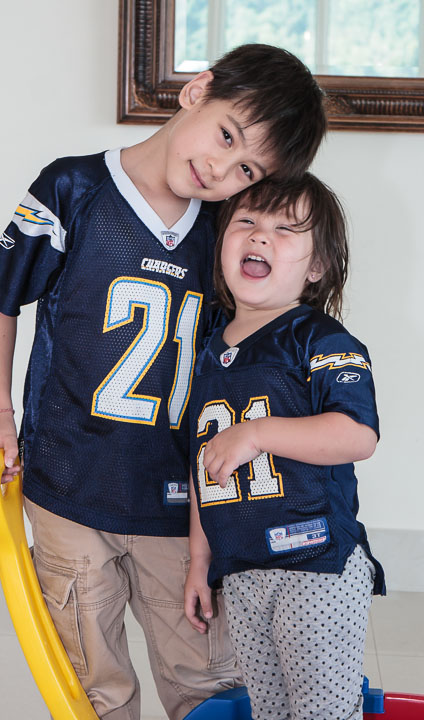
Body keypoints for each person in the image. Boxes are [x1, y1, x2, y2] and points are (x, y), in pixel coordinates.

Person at [0, 44, 326, 720]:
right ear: (197, 90)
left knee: (209, 680)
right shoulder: (72, 188)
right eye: (227, 136)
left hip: (180, 500)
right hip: (68, 486)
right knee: (93, 687)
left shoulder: (228, 230)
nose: (220, 169)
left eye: (246, 169)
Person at [185, 173, 385, 720]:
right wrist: (200, 560)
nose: (260, 236)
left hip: (315, 564)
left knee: (323, 712)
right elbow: (205, 464)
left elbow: (357, 434)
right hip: (242, 568)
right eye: (247, 221)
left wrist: (257, 433)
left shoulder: (320, 338)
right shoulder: (205, 350)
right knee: (270, 712)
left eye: (285, 229)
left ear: (316, 266)